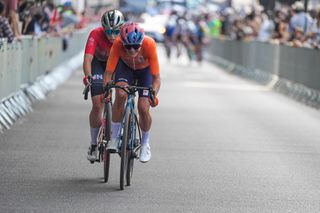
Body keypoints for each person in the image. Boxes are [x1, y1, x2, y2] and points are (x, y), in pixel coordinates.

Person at [103, 22, 161, 163]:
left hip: (144, 72)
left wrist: (154, 93)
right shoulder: (117, 44)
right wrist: (107, 90)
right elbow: (108, 73)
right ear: (122, 43)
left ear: (141, 43)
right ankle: (115, 138)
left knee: (142, 107)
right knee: (121, 95)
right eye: (128, 47)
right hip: (126, 69)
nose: (132, 50)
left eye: (136, 46)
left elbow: (156, 78)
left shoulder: (149, 44)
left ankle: (145, 144)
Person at [84, 9, 125, 162]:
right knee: (97, 103)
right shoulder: (95, 33)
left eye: (115, 31)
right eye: (107, 31)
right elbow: (88, 59)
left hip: (117, 65)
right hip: (99, 65)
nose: (111, 35)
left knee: (122, 95)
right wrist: (88, 76)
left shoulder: (124, 36)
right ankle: (94, 144)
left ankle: (119, 131)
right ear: (102, 27)